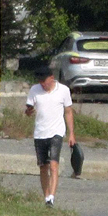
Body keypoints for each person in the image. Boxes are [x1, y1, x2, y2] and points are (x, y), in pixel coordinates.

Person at [25, 66, 76, 206]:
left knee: (54, 164)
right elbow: (28, 110)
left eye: (44, 80)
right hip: (40, 133)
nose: (42, 83)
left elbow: (68, 112)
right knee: (43, 166)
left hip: (57, 132)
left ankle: (51, 197)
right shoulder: (34, 90)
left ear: (52, 78)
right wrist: (29, 111)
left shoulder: (63, 90)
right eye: (40, 81)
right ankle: (46, 196)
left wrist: (71, 134)